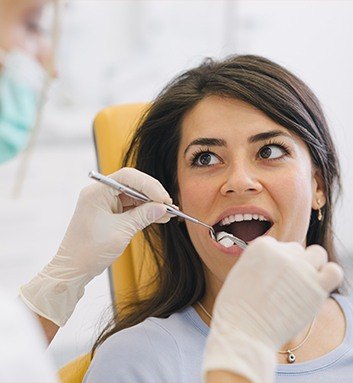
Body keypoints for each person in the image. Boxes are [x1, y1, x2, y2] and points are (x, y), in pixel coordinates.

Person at [76, 54, 353, 383]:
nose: (239, 181)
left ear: (317, 185)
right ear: (174, 199)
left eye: (269, 151)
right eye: (205, 158)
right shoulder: (136, 361)